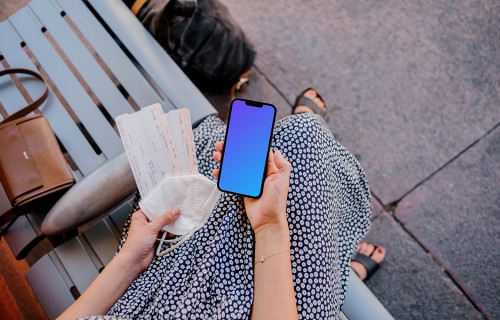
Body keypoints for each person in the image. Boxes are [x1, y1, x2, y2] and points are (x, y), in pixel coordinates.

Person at [58, 89, 384, 320]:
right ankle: (344, 269)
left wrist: (131, 258)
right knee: (303, 141)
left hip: (154, 291)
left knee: (226, 172)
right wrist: (270, 225)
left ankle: (342, 269)